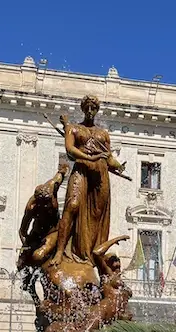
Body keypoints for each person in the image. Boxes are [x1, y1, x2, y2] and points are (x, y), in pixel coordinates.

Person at [51, 95, 127, 272]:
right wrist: (89, 157)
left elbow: (108, 157)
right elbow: (70, 151)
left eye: (94, 108)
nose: (91, 111)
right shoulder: (73, 129)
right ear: (83, 109)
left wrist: (118, 166)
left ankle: (89, 254)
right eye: (88, 108)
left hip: (100, 175)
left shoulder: (103, 134)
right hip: (81, 170)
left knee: (97, 215)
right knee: (72, 205)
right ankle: (60, 251)